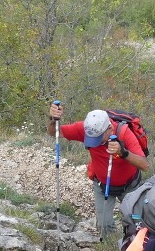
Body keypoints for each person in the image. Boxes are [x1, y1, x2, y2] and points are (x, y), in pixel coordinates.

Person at [48, 102, 149, 238]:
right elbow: (54, 132)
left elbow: (144, 165)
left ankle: (130, 247)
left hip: (129, 186)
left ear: (109, 129)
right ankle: (110, 246)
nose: (95, 142)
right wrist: (54, 119)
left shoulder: (124, 133)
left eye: (99, 139)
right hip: (102, 184)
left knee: (135, 223)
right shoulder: (85, 128)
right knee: (103, 225)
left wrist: (123, 152)